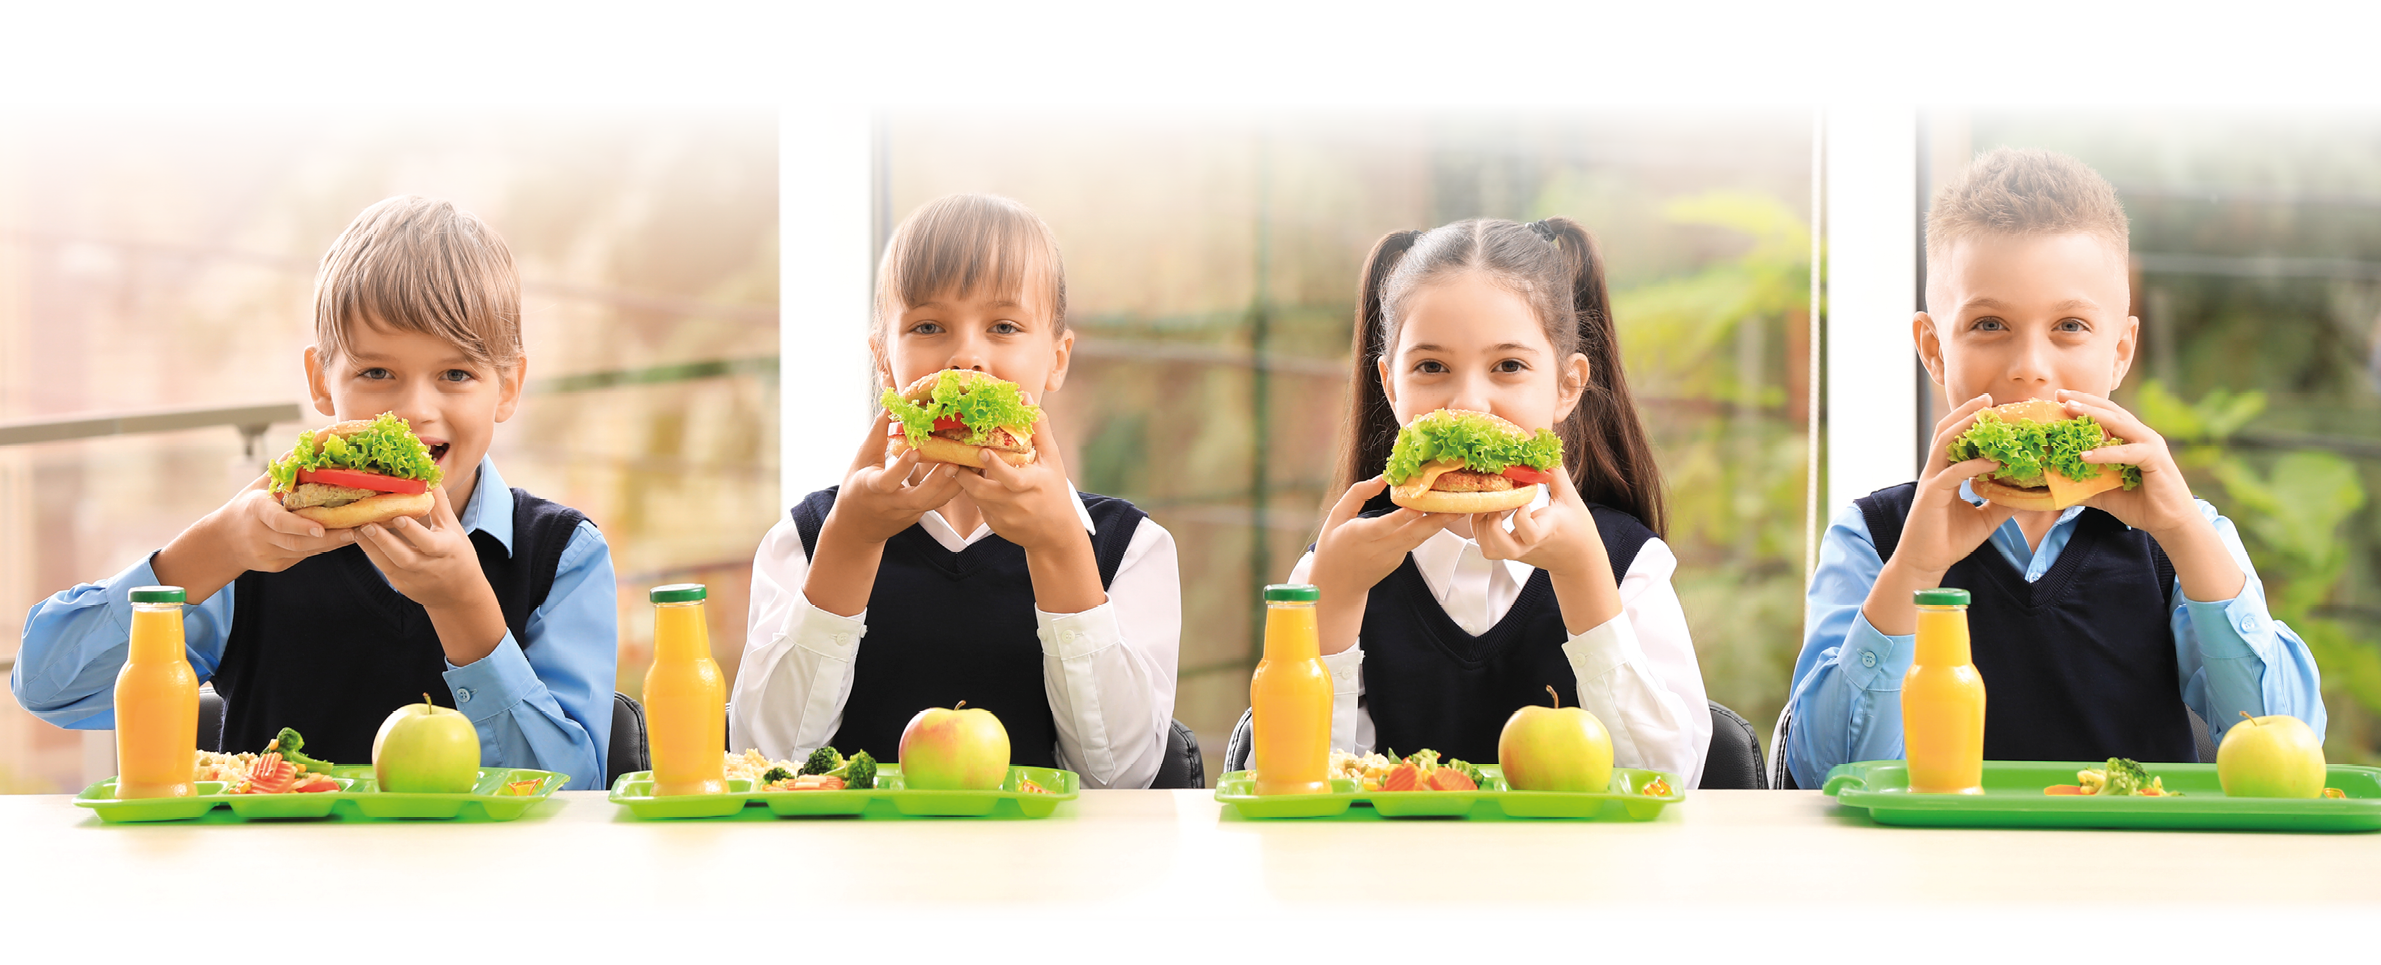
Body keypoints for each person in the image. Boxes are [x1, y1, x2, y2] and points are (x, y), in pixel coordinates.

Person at [13, 195, 616, 790]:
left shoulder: (563, 555)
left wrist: (463, 607)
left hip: (489, 886)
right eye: (376, 373)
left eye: (455, 374)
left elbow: (573, 798)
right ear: (320, 383)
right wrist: (217, 547)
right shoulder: (252, 551)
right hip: (275, 886)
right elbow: (49, 689)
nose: (413, 410)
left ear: (507, 388)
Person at [1784, 147, 2326, 788]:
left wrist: (2182, 533)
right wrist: (1916, 568)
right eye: (1989, 324)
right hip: (1939, 876)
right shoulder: (1874, 537)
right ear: (1934, 349)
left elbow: (2285, 747)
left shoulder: (2181, 537)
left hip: (2138, 873)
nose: (2030, 366)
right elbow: (1826, 773)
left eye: (2069, 325)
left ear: (2120, 351)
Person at [733, 193, 1180, 789]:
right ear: (884, 365)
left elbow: (1120, 776)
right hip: (859, 870)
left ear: (1057, 357)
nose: (966, 354)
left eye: (1003, 326)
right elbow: (768, 757)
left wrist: (1059, 549)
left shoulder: (1131, 549)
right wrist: (850, 542)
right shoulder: (809, 536)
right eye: (928, 326)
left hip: (1055, 873)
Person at [1288, 216, 1710, 786]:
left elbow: (1668, 781)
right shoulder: (1332, 565)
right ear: (1391, 387)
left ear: (1567, 386)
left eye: (1508, 366)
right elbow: (1292, 788)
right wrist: (1335, 604)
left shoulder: (1628, 563)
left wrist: (1584, 576)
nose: (1470, 403)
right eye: (1431, 367)